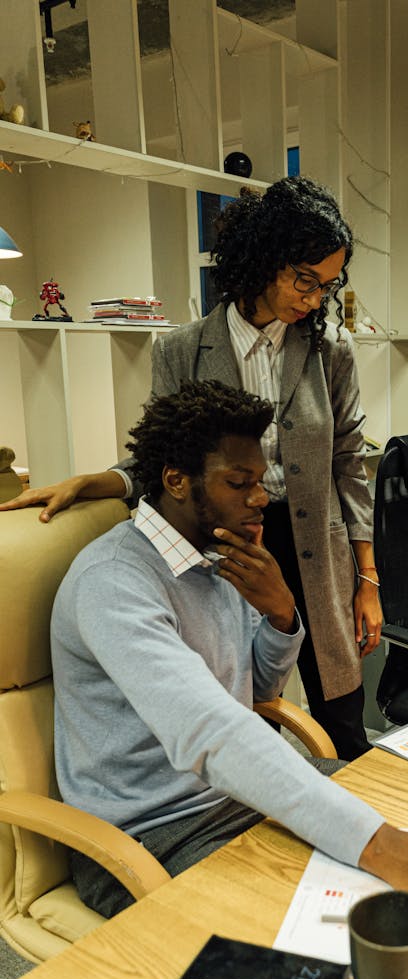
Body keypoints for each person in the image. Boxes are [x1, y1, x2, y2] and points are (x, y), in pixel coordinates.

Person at [51, 380, 408, 935]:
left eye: (259, 480)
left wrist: (281, 613)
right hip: (155, 833)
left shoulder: (218, 553)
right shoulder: (114, 582)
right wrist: (385, 848)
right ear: (175, 481)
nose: (260, 498)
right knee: (354, 923)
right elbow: (211, 731)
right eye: (239, 483)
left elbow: (259, 692)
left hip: (240, 793)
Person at [1, 176, 380, 760]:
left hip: (316, 546)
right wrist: (92, 482)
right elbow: (164, 456)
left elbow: (349, 461)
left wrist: (368, 578)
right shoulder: (182, 349)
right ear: (265, 259)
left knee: (342, 710)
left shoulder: (329, 347)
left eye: (326, 285)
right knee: (246, 703)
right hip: (227, 542)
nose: (313, 299)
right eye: (305, 279)